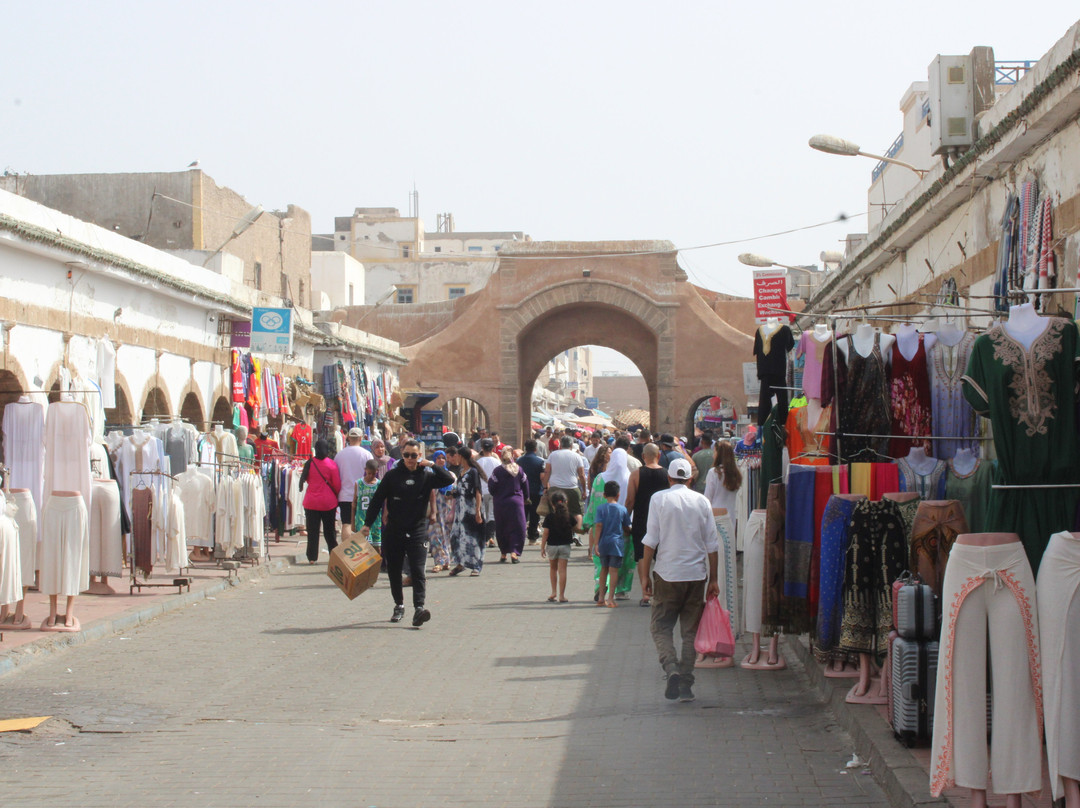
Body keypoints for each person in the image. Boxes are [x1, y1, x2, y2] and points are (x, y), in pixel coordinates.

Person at [642, 458, 720, 703]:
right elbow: (712, 544)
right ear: (690, 479)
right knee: (690, 631)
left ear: (669, 478)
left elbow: (650, 540)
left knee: (661, 626)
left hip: (667, 574)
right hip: (696, 575)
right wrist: (714, 579)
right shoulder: (702, 501)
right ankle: (686, 683)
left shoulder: (659, 499)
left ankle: (671, 667)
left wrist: (644, 575)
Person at [360, 440, 456, 627]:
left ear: (419, 456)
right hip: (394, 529)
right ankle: (399, 605)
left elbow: (448, 479)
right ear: (402, 456)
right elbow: (377, 500)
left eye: (414, 455)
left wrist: (431, 464)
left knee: (418, 570)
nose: (410, 459)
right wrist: (367, 524)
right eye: (406, 455)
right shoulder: (392, 476)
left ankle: (419, 608)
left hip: (417, 530)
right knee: (394, 570)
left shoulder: (426, 475)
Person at [624, 442, 670, 606]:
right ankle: (661, 592)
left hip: (642, 519)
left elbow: (630, 501)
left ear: (643, 456)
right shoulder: (667, 474)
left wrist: (625, 520)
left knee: (643, 556)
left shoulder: (636, 474)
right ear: (659, 455)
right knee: (661, 556)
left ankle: (645, 594)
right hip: (662, 520)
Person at [299, 439, 342, 564]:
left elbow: (307, 479)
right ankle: (334, 556)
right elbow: (337, 484)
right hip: (328, 503)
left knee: (312, 532)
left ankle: (312, 558)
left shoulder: (310, 463)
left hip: (311, 502)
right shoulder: (331, 464)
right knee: (330, 532)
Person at [591, 480, 631, 608]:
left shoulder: (600, 509)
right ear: (618, 495)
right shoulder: (622, 509)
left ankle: (601, 598)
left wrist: (596, 543)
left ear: (604, 495)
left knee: (604, 569)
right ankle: (611, 599)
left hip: (603, 543)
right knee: (614, 571)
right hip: (616, 544)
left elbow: (598, 525)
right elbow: (626, 526)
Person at [488, 447, 529, 563]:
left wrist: (497, 495)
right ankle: (514, 552)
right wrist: (526, 498)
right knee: (517, 527)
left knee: (502, 527)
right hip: (516, 503)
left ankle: (503, 553)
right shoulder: (519, 470)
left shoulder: (497, 471)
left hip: (501, 503)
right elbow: (525, 484)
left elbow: (491, 486)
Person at [448, 447, 485, 577]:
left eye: (457, 455)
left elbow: (478, 491)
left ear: (461, 456)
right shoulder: (461, 472)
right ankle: (461, 563)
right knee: (456, 536)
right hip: (460, 509)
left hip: (471, 508)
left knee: (473, 536)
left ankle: (476, 565)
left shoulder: (473, 472)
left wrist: (478, 511)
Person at [541, 491, 580, 603]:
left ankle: (553, 592)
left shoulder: (549, 517)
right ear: (566, 502)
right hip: (565, 546)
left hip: (552, 546)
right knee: (562, 571)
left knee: (553, 569)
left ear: (552, 504)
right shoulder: (569, 516)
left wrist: (542, 547)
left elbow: (546, 533)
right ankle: (562, 595)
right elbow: (576, 528)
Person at [335, 427, 374, 540]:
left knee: (346, 523)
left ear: (348, 438)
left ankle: (346, 550)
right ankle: (360, 550)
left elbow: (335, 475)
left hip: (345, 495)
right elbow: (372, 475)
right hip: (363, 494)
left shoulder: (340, 455)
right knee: (363, 523)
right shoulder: (366, 454)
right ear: (361, 438)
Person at [541, 435, 587, 522]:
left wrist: (545, 487)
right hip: (572, 488)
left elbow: (547, 472)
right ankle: (577, 529)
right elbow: (582, 475)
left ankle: (554, 528)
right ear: (571, 445)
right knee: (576, 512)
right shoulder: (577, 456)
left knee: (553, 512)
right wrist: (584, 490)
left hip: (555, 488)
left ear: (560, 445)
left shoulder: (552, 455)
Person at [427, 450, 456, 572]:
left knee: (447, 535)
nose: (441, 460)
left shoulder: (450, 475)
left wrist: (449, 494)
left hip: (447, 511)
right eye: (438, 458)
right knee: (435, 535)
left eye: (443, 458)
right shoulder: (430, 475)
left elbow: (455, 491)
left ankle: (447, 560)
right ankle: (439, 561)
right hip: (434, 511)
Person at [703, 440, 742, 516]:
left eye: (714, 452)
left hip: (716, 514)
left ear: (719, 454)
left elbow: (708, 497)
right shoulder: (737, 473)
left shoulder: (714, 472)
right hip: (732, 514)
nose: (713, 455)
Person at [518, 440, 546, 544]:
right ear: (535, 449)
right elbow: (542, 477)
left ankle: (520, 536)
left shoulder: (519, 461)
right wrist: (546, 487)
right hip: (536, 491)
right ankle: (532, 538)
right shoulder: (540, 461)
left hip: (522, 491)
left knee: (522, 514)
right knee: (534, 515)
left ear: (525, 448)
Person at [352, 459, 382, 555]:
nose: (371, 476)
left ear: (377, 471)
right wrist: (352, 523)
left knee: (377, 548)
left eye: (373, 474)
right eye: (369, 473)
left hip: (376, 520)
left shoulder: (379, 484)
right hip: (362, 519)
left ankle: (377, 564)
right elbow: (354, 503)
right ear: (365, 470)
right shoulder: (359, 483)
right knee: (364, 547)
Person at [475, 438, 500, 548]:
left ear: (482, 448)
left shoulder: (478, 462)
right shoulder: (497, 462)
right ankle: (490, 537)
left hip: (481, 491)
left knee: (483, 514)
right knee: (492, 514)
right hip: (494, 491)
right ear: (492, 448)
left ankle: (485, 538)